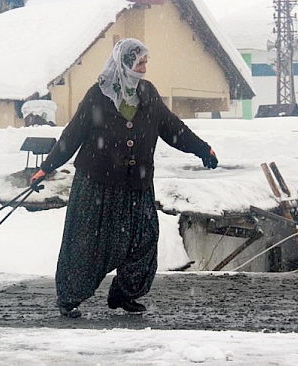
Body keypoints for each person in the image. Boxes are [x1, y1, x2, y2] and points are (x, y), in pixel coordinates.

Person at [30, 38, 218, 318]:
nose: (144, 67)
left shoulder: (148, 93)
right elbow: (73, 135)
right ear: (125, 63)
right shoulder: (99, 95)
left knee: (143, 240)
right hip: (97, 185)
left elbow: (173, 129)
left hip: (137, 186)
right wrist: (47, 167)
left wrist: (203, 149)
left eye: (145, 62)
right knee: (88, 243)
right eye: (140, 62)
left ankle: (124, 294)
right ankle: (69, 297)